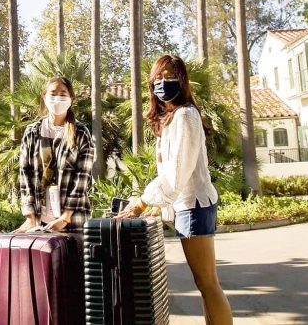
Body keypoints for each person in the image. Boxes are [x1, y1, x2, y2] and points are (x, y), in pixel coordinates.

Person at [117, 54, 233, 325]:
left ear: (182, 81)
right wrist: (156, 204)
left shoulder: (185, 116)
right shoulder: (172, 118)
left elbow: (177, 174)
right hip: (188, 206)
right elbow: (171, 175)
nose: (163, 82)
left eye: (170, 76)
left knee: (208, 284)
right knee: (205, 284)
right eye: (158, 78)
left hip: (194, 206)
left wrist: (143, 202)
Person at [15, 76, 95, 232]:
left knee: (71, 256)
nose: (57, 98)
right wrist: (31, 217)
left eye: (63, 94)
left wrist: (65, 218)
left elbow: (82, 180)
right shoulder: (32, 132)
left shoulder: (80, 133)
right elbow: (25, 174)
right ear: (44, 97)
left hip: (73, 221)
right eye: (52, 93)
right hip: (39, 220)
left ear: (71, 99)